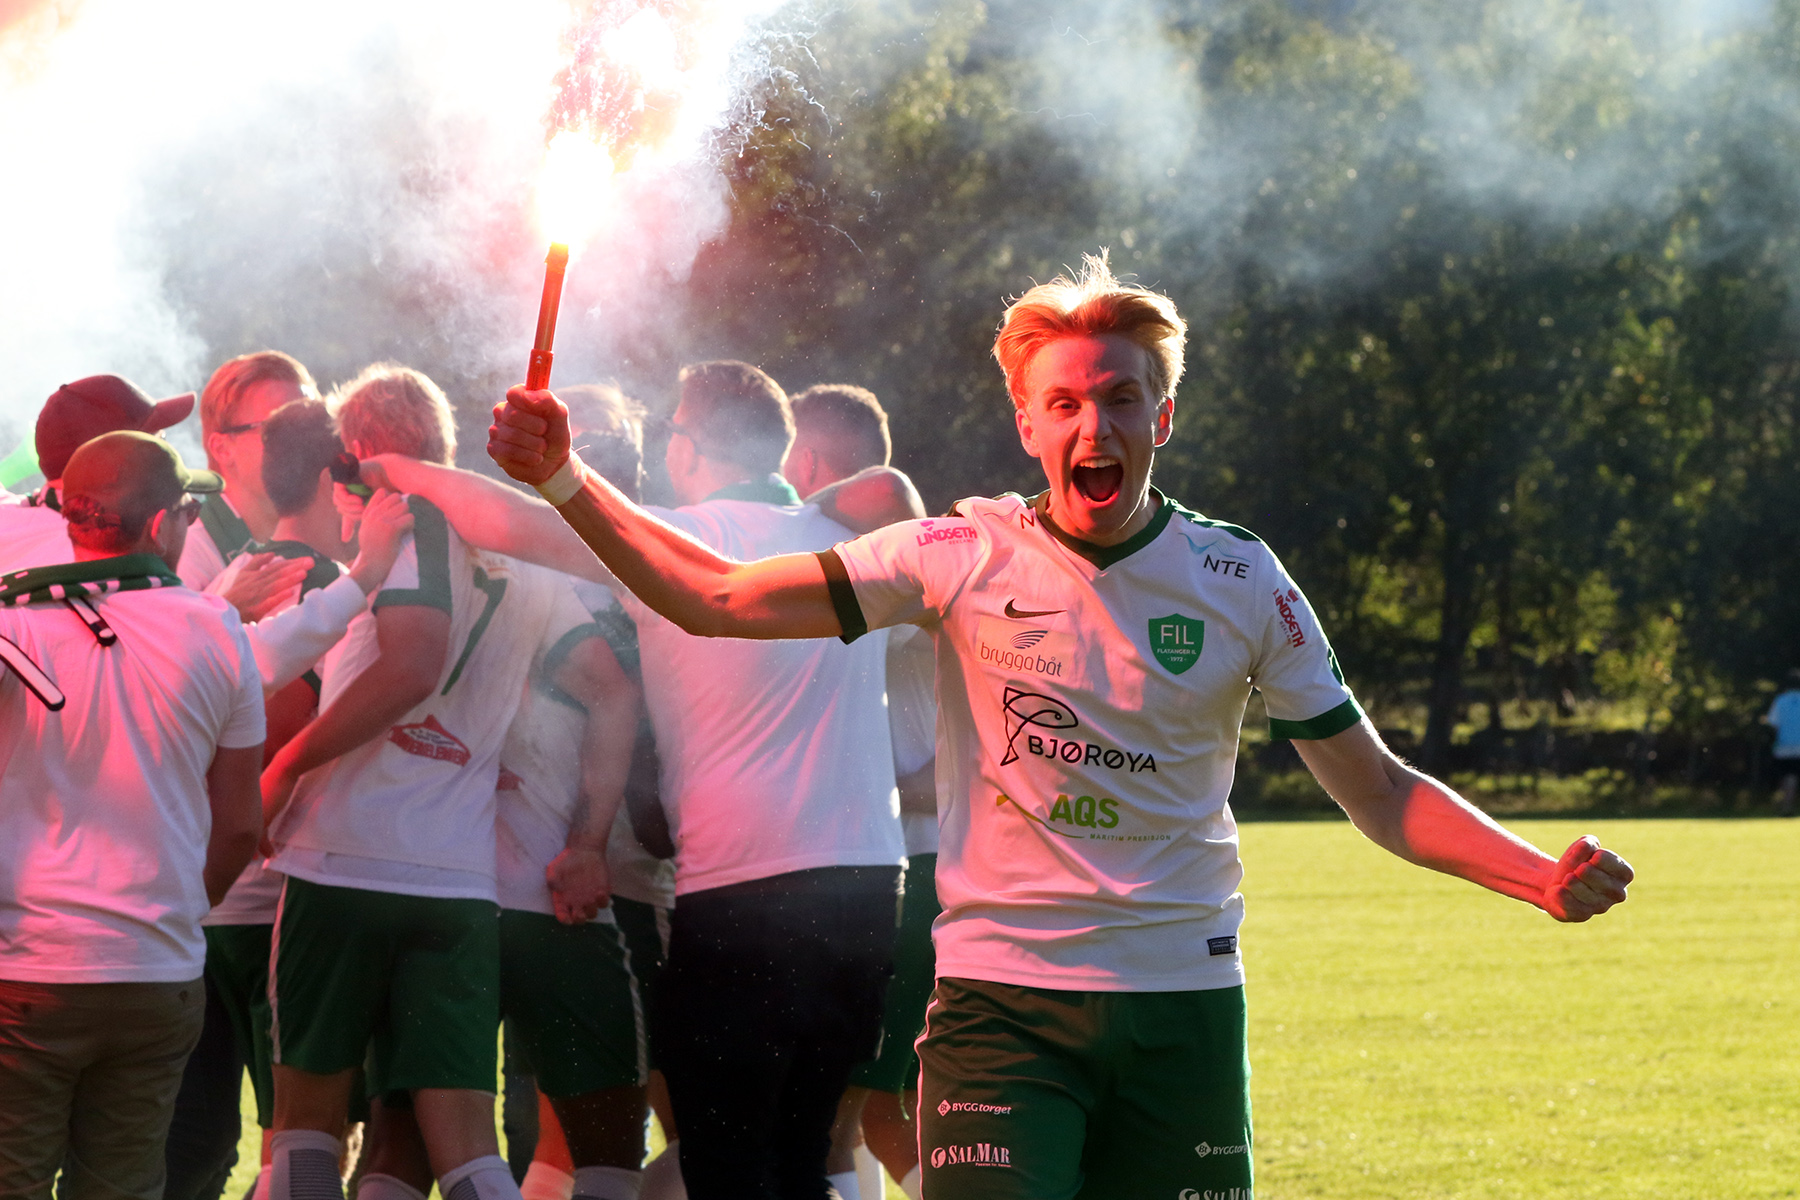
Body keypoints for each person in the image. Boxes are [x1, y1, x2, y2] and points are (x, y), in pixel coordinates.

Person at [487, 253, 1636, 1200]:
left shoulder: (1240, 578)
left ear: (1164, 416)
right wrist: (569, 481)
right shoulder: (957, 554)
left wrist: (1537, 877)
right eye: (1068, 402)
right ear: (1028, 423)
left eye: (1123, 397)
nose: (1097, 423)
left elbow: (1377, 789)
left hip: (1183, 1011)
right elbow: (718, 598)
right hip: (1001, 1007)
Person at [362, 362, 907, 1200]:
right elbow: (892, 488)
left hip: (741, 894)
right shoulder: (849, 540)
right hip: (869, 885)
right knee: (803, 1155)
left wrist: (391, 465)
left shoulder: (664, 544)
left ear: (686, 448)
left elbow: (502, 516)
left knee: (723, 1161)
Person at [259, 364, 591, 1200]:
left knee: (305, 1130)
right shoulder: (513, 547)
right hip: (456, 875)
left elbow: (411, 663)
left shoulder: (407, 530)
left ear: (361, 452)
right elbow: (603, 688)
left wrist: (289, 761)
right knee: (468, 1151)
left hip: (346, 853)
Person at [0, 431, 265, 1200]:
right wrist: (173, 912)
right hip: (155, 969)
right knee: (122, 1188)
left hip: (27, 965)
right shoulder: (217, 629)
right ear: (160, 525)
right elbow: (240, 823)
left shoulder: (13, 624)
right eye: (187, 509)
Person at [166, 398, 416, 1200]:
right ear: (326, 476)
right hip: (282, 901)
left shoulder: (226, 587)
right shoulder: (326, 588)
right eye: (351, 471)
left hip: (200, 905)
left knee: (196, 1144)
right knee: (300, 1146)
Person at [787, 384, 938, 1200]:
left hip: (913, 878)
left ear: (808, 463)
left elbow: (893, 494)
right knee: (870, 1115)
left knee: (850, 1115)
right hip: (911, 877)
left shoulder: (900, 573)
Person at [0, 375, 194, 573]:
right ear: (111, 465)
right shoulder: (113, 560)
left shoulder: (10, 518)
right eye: (158, 439)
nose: (167, 451)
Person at [1768, 668, 1800, 816]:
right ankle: (1787, 805)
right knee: (1792, 776)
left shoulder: (1780, 701)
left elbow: (1774, 724)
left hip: (1783, 746)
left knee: (1787, 776)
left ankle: (1786, 805)